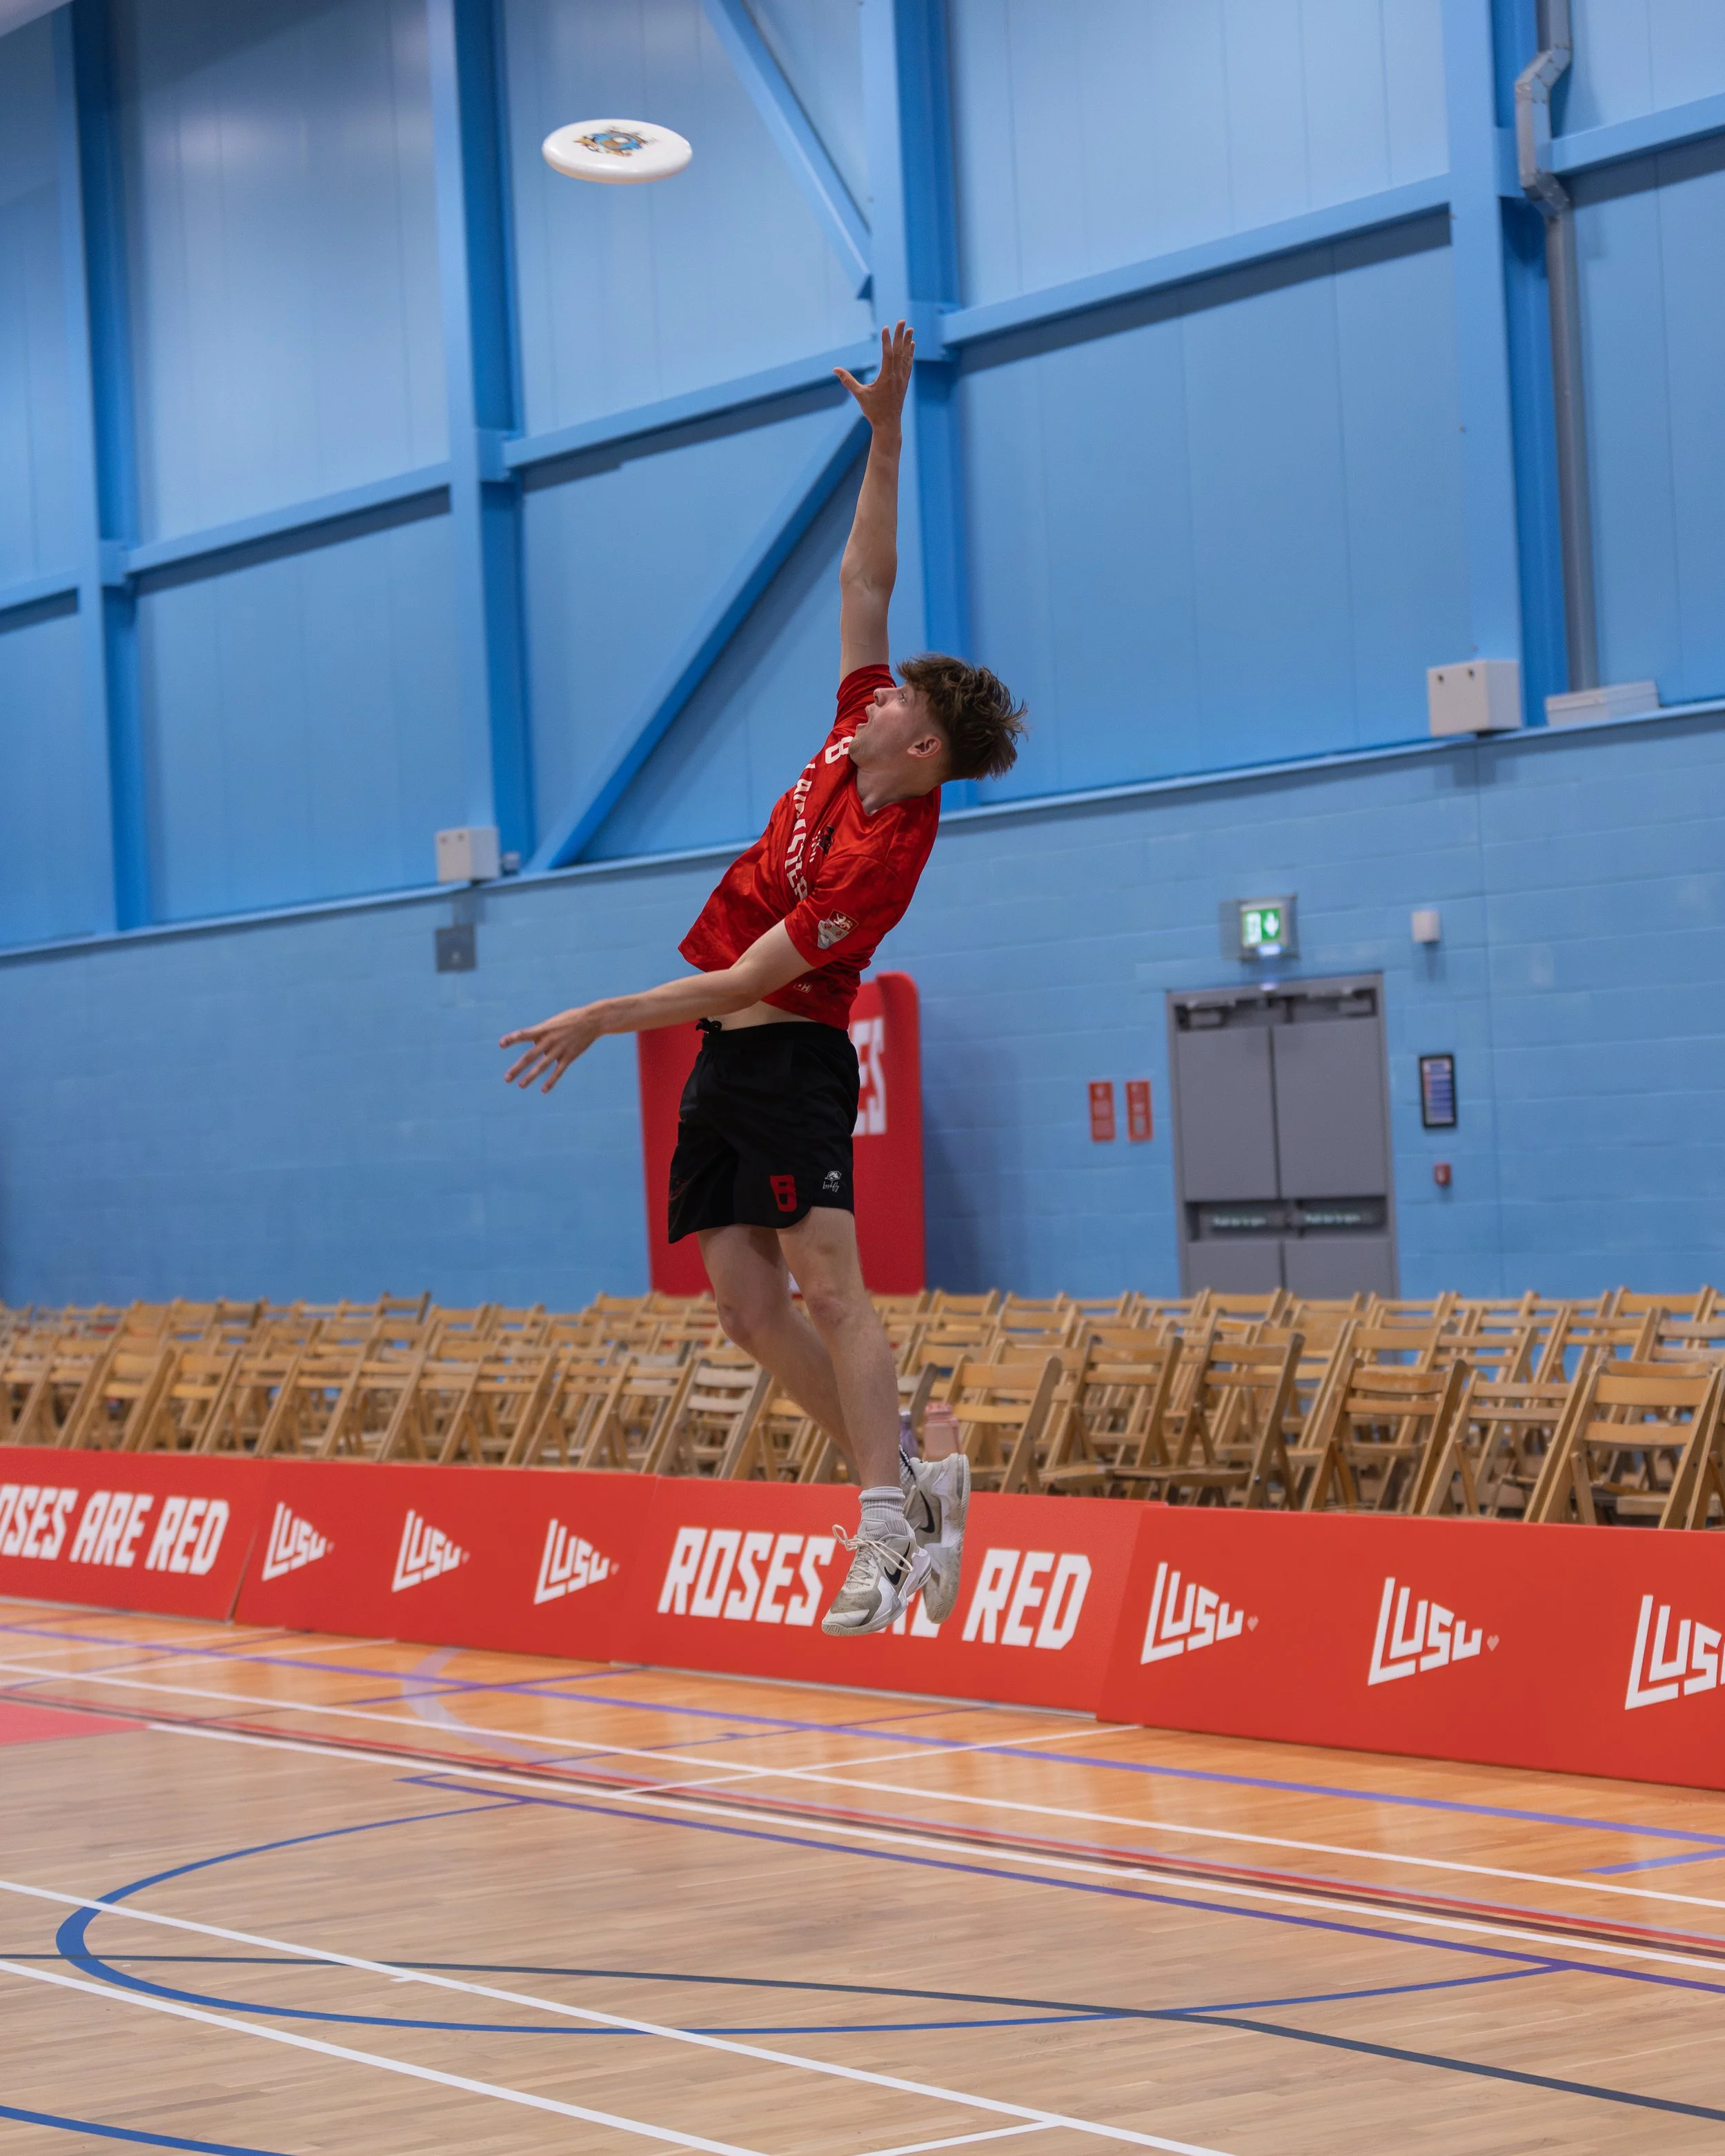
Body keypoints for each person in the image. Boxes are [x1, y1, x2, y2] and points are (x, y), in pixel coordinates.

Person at [500, 322, 1025, 1636]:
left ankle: (884, 1522)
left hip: (784, 1052)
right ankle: (914, 1474)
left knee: (832, 1286)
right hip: (725, 1052)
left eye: (904, 698)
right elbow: (866, 572)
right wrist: (889, 432)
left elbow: (747, 973)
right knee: (741, 1308)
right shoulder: (856, 728)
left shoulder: (884, 860)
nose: (884, 689)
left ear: (931, 745)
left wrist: (599, 1018)